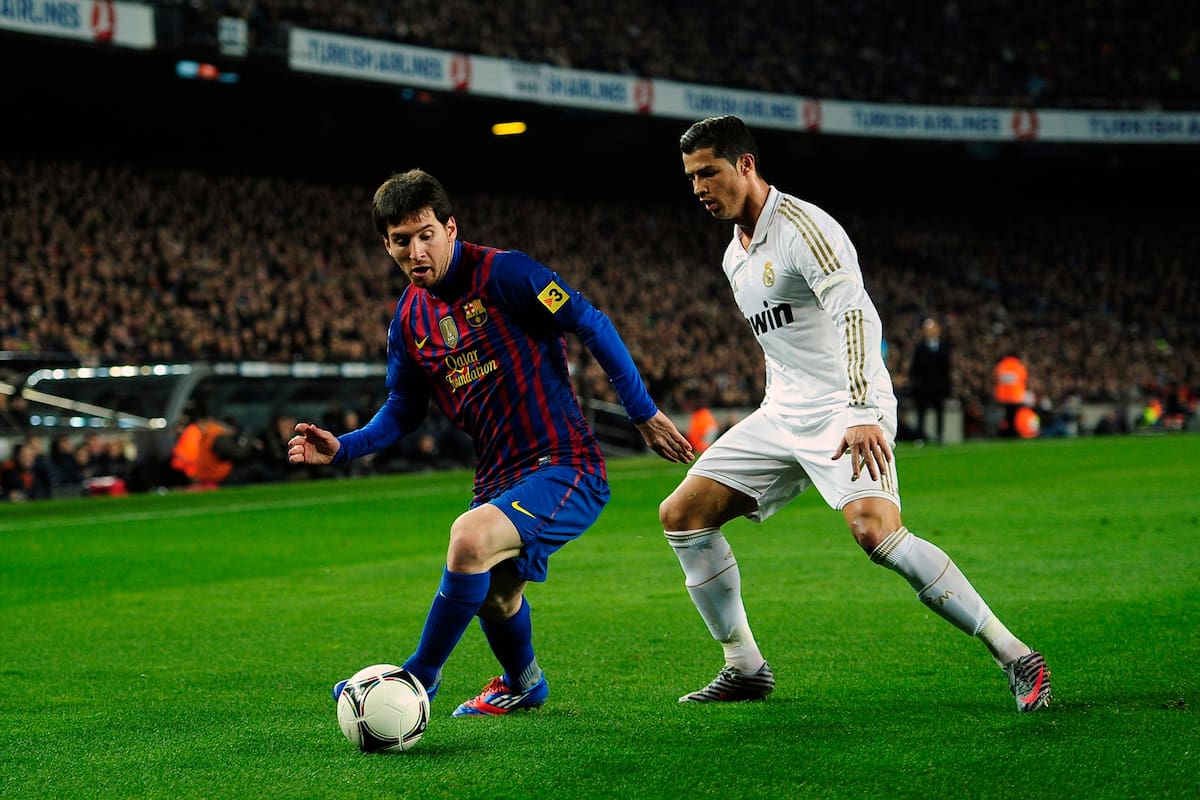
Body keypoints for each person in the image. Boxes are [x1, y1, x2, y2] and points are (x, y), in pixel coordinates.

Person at [661, 115, 1050, 712]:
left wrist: (865, 408)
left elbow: (854, 315)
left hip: (846, 408)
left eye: (708, 172)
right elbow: (784, 344)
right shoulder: (734, 257)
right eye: (691, 178)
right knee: (682, 515)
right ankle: (745, 667)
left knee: (877, 534)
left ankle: (1016, 655)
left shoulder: (805, 230)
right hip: (781, 413)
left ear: (745, 165)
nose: (699, 189)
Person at [288, 169, 693, 718]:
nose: (416, 250)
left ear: (450, 228)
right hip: (497, 476)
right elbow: (404, 410)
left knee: (469, 539)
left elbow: (589, 320)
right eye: (402, 241)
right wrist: (345, 447)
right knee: (497, 597)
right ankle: (523, 683)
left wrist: (642, 411)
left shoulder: (506, 274)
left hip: (565, 464)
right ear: (386, 246)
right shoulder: (408, 321)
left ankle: (417, 680)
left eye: (426, 233)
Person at [908, 317, 952, 443]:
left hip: (938, 387)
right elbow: (915, 368)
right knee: (921, 413)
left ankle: (939, 436)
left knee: (939, 412)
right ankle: (920, 437)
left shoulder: (944, 347)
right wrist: (917, 384)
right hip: (923, 387)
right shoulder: (920, 348)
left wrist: (946, 386)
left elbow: (947, 369)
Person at [992, 351, 1029, 437]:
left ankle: (1006, 432)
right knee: (1013, 417)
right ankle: (1011, 433)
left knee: (1007, 416)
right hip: (1015, 397)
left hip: (1003, 397)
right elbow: (1024, 378)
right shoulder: (1019, 366)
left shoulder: (1001, 366)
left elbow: (995, 378)